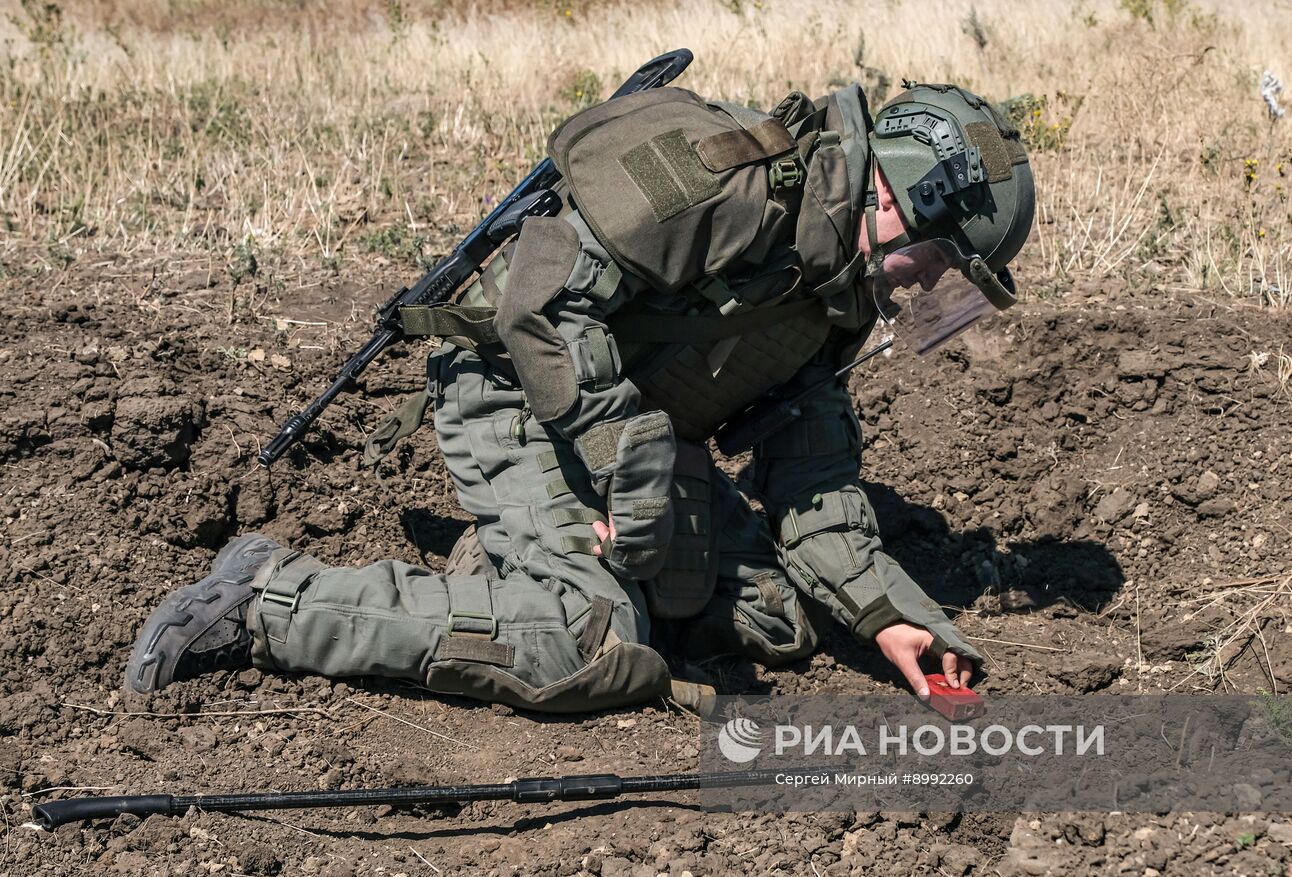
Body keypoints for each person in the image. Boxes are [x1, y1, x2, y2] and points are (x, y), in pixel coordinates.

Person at [126, 80, 1035, 713]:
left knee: (778, 612)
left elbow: (815, 482)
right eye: (947, 266)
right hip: (513, 388)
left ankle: (512, 568)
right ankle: (264, 602)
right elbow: (540, 299)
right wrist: (625, 462)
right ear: (901, 198)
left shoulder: (839, 294)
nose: (930, 293)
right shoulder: (728, 179)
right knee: (587, 639)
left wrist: (897, 618)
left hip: (619, 434)